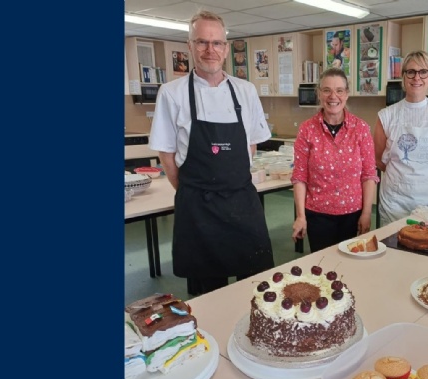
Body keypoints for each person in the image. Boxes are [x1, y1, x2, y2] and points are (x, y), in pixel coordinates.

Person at [149, 10, 275, 296]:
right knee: (209, 292)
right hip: (199, 209)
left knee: (254, 287)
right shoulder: (172, 93)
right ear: (190, 46)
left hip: (242, 202)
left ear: (226, 48)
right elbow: (166, 153)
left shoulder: (245, 90)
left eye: (217, 43)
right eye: (202, 42)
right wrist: (192, 189)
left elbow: (251, 145)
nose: (210, 50)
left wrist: (229, 179)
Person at [291, 67, 379, 252]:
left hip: (353, 214)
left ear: (346, 94)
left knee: (351, 267)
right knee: (323, 268)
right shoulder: (307, 129)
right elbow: (300, 176)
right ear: (319, 94)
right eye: (327, 90)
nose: (333, 96)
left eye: (339, 90)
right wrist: (300, 216)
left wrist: (366, 213)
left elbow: (369, 175)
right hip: (318, 215)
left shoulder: (360, 128)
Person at [373, 50, 428, 226]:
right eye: (411, 72)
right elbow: (376, 158)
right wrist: (400, 177)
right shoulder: (386, 116)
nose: (417, 78)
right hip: (394, 203)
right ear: (404, 77)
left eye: (423, 72)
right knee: (393, 248)